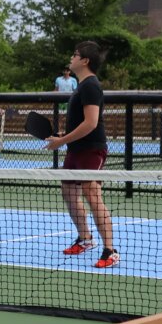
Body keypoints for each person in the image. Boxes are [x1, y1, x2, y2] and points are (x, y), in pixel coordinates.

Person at [44, 41, 117, 269]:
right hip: (76, 148)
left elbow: (92, 123)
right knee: (68, 191)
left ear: (85, 61)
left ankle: (110, 250)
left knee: (92, 195)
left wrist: (61, 142)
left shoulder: (91, 86)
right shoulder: (81, 86)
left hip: (91, 149)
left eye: (75, 54)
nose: (71, 58)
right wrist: (65, 136)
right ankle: (86, 239)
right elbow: (81, 122)